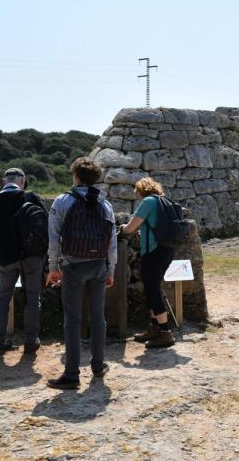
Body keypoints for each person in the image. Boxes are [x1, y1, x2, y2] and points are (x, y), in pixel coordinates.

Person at [45, 157, 117, 389]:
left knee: (73, 319)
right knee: (98, 316)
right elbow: (112, 242)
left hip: (73, 265)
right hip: (98, 265)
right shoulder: (105, 204)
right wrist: (110, 269)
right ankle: (98, 366)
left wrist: (53, 268)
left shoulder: (63, 201)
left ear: (75, 175)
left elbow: (53, 237)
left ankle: (72, 375)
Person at [0, 168, 47, 355]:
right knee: (32, 298)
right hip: (32, 256)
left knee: (2, 299)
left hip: (5, 257)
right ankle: (31, 342)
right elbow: (45, 223)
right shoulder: (31, 198)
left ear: (3, 182)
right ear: (22, 181)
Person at [119, 177, 175, 348]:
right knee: (152, 289)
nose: (136, 195)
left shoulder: (148, 202)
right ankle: (154, 328)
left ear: (141, 191)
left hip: (153, 253)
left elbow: (130, 227)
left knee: (152, 291)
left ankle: (165, 333)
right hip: (166, 250)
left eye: (137, 192)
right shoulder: (165, 201)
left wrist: (122, 229)